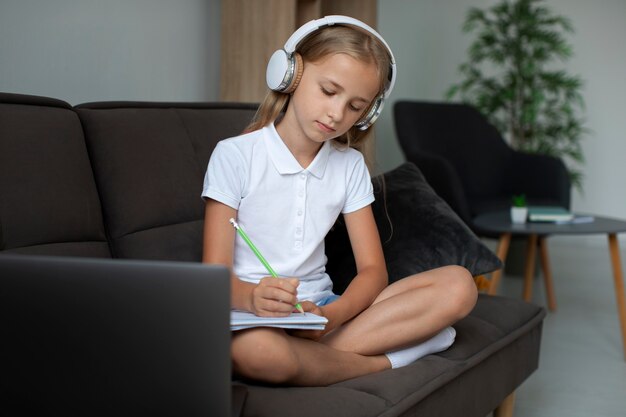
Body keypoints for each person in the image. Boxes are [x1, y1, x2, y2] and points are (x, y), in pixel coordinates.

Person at [202, 16, 477, 386]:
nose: (337, 114)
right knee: (261, 353)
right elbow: (213, 275)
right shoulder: (234, 156)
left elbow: (373, 273)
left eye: (355, 106)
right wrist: (253, 297)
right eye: (329, 91)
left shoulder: (349, 166)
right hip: (254, 316)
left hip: (324, 314)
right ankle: (386, 360)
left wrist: (333, 317)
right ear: (290, 75)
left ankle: (319, 357)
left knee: (460, 285)